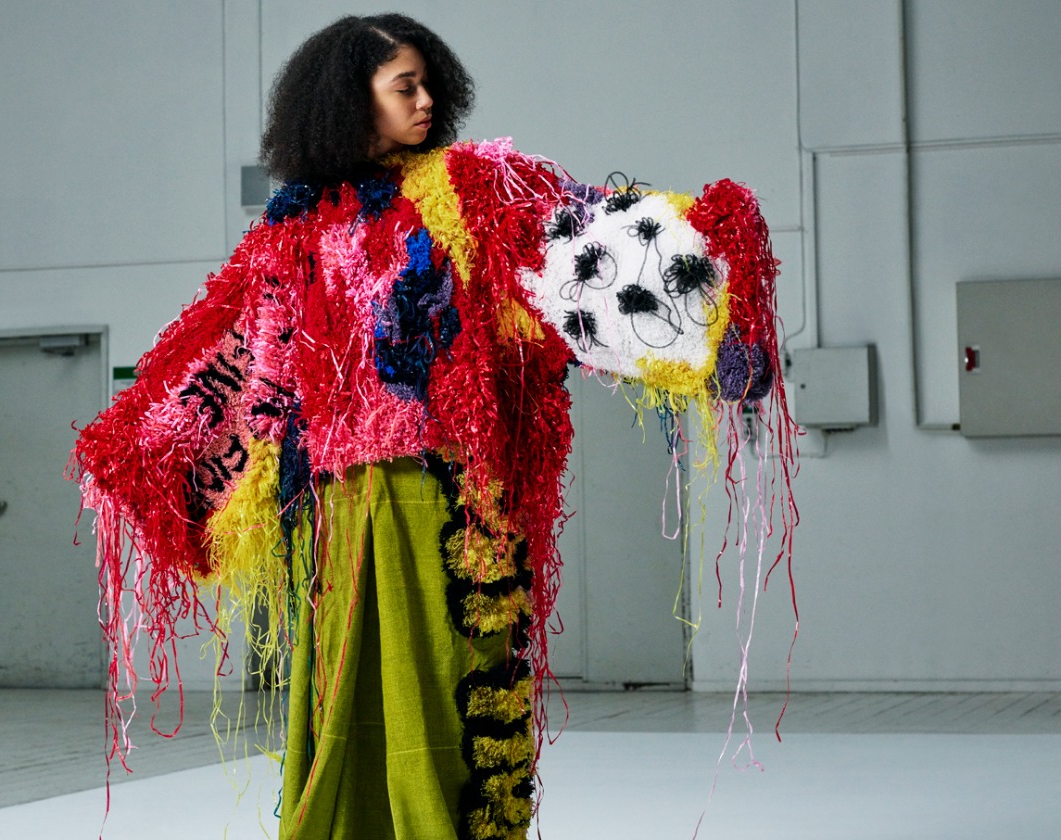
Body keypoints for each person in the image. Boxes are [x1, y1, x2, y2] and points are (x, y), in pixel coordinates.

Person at [72, 12, 794, 840]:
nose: (424, 102)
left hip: (448, 497)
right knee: (345, 688)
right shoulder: (290, 230)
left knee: (452, 682)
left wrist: (710, 306)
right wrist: (147, 451)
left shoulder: (467, 186)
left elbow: (570, 235)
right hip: (341, 512)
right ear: (350, 103)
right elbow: (246, 358)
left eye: (427, 85)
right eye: (402, 87)